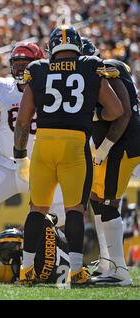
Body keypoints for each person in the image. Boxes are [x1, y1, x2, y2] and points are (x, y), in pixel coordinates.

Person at [13, 25, 123, 285]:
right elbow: (116, 110)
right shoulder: (90, 66)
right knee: (75, 209)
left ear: (52, 48)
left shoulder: (38, 69)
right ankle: (76, 271)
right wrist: (92, 114)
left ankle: (26, 271)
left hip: (44, 144)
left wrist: (19, 155)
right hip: (75, 145)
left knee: (37, 209)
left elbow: (22, 120)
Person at [0, 42, 66, 276]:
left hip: (40, 165)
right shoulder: (3, 88)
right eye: (16, 64)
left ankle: (51, 257)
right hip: (5, 162)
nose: (19, 70)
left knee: (60, 214)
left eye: (25, 65)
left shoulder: (52, 87)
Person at [81, 38, 140, 286]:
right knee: (97, 197)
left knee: (107, 203)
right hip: (115, 144)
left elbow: (123, 112)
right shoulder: (103, 70)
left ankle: (119, 272)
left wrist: (104, 147)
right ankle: (107, 263)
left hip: (121, 144)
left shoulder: (106, 67)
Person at [0, 214, 70, 285]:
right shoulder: (44, 225)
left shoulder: (36, 268)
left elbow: (53, 217)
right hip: (70, 261)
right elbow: (53, 217)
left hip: (63, 270)